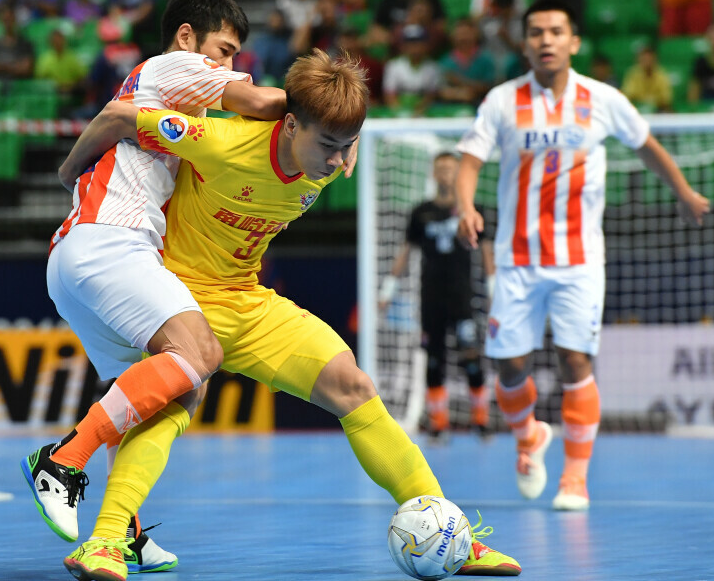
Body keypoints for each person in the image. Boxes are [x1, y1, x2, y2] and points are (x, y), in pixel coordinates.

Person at [51, 50, 520, 580]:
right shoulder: (221, 142)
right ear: (291, 124)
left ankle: (449, 532)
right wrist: (68, 176)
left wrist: (348, 137)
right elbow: (119, 117)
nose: (335, 159)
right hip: (178, 295)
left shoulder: (334, 152)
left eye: (346, 146)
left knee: (353, 385)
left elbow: (338, 130)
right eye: (328, 145)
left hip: (247, 299)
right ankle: (106, 540)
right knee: (175, 401)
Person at [19, 0, 287, 574]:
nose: (229, 66)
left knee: (157, 394)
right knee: (202, 353)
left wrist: (70, 170)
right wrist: (334, 114)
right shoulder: (175, 66)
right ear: (188, 37)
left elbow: (115, 119)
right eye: (223, 50)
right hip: (114, 245)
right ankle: (64, 459)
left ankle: (126, 530)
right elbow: (268, 104)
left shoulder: (157, 100)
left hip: (77, 258)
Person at [454, 0, 709, 511]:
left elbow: (646, 146)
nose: (545, 39)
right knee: (509, 367)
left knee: (575, 360)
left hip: (579, 261)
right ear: (524, 43)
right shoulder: (502, 101)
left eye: (555, 31)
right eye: (535, 32)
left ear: (574, 42)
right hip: (517, 259)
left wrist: (682, 190)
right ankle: (528, 436)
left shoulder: (603, 99)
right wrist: (465, 205)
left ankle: (575, 478)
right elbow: (469, 160)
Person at [380, 152, 495, 439]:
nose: (445, 173)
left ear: (458, 174)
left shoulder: (471, 211)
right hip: (430, 298)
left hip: (463, 297)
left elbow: (486, 253)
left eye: (450, 169)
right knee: (434, 360)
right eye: (440, 168)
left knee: (471, 356)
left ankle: (480, 421)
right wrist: (388, 289)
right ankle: (438, 424)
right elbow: (405, 252)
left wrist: (494, 289)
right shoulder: (421, 212)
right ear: (433, 174)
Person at [621, 46, 673, 112]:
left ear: (655, 59)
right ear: (639, 60)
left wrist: (651, 102)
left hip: (657, 110)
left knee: (667, 112)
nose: (647, 62)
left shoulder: (662, 74)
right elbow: (628, 96)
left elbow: (666, 99)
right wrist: (645, 101)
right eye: (644, 59)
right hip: (636, 108)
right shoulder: (632, 74)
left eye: (649, 59)